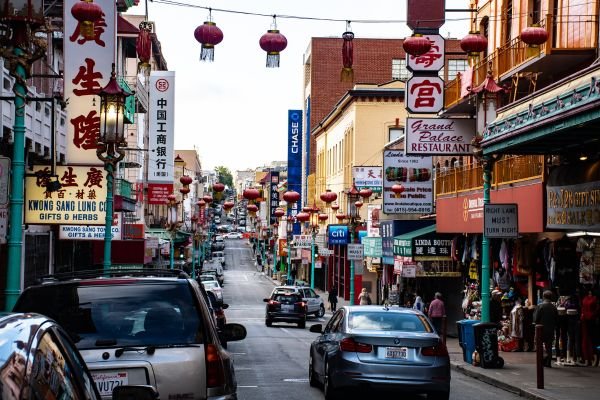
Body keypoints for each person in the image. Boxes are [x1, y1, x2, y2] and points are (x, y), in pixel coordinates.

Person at [534, 290, 558, 367]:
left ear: (543, 297)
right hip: (550, 329)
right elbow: (556, 318)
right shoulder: (554, 307)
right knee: (549, 346)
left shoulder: (540, 306)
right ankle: (548, 362)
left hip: (540, 329)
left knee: (539, 345)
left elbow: (536, 318)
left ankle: (540, 361)